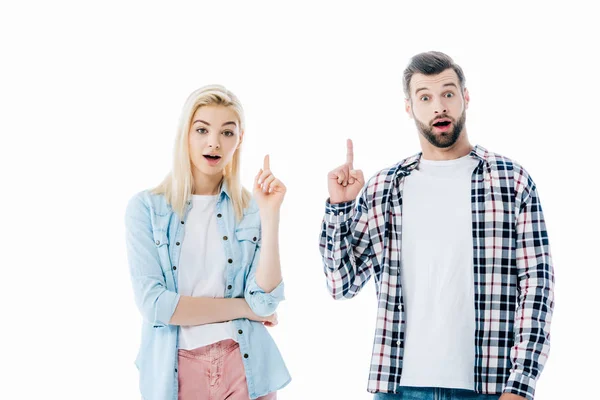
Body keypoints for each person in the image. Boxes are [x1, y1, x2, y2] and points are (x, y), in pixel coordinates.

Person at [320, 51, 554, 400]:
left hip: (488, 388)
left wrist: (520, 385)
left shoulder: (511, 181)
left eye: (448, 93)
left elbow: (538, 287)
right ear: (409, 108)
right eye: (425, 97)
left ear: (465, 98)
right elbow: (342, 284)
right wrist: (341, 206)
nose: (438, 106)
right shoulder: (385, 187)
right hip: (399, 387)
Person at [125, 85, 290, 400]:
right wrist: (246, 308)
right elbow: (155, 305)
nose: (214, 142)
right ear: (186, 133)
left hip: (244, 362)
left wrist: (270, 216)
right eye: (202, 130)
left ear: (239, 140)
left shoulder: (251, 209)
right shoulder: (145, 209)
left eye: (227, 133)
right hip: (174, 370)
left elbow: (266, 303)